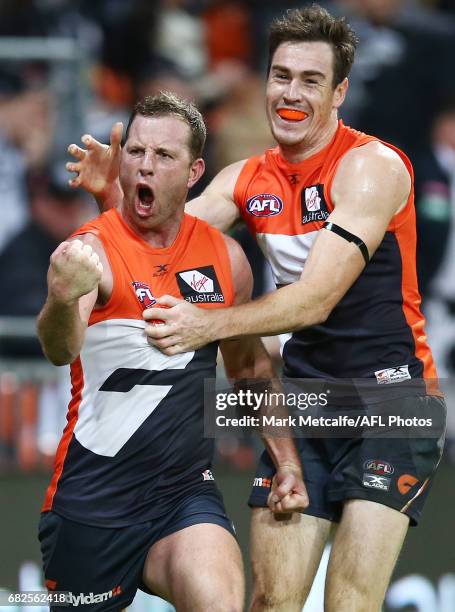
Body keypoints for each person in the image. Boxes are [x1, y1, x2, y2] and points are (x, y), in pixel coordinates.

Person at [66, 6, 446, 611]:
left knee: (348, 601)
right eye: (280, 75)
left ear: (340, 91)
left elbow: (317, 299)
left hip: (391, 401)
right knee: (270, 601)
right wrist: (114, 196)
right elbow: (159, 239)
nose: (290, 93)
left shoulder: (372, 168)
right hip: (303, 403)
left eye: (311, 80)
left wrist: (207, 324)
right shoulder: (244, 179)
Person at [39, 92, 307, 611]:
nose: (145, 164)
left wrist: (287, 461)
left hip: (183, 494)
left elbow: (249, 369)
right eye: (136, 152)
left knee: (219, 603)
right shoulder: (89, 251)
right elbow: (59, 348)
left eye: (164, 156)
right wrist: (61, 296)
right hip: (91, 503)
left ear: (194, 171)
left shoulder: (227, 258)